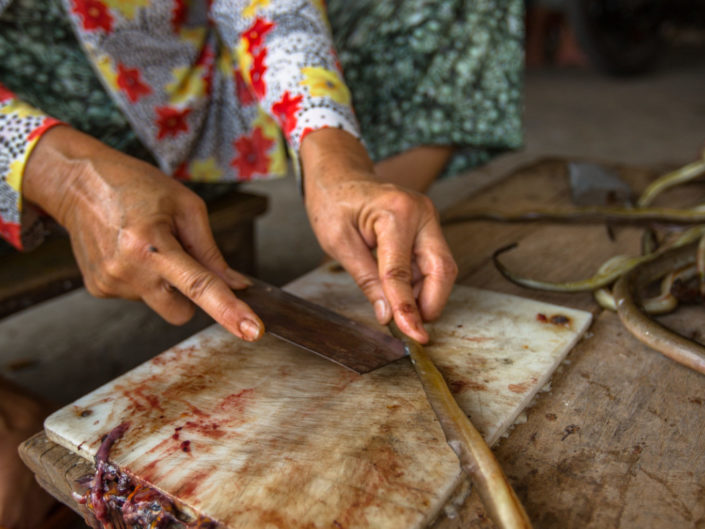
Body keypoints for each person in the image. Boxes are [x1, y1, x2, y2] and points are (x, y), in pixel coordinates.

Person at [0, 1, 524, 527]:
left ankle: (351, 266)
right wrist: (60, 174)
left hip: (181, 99)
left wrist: (335, 155)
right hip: (30, 117)